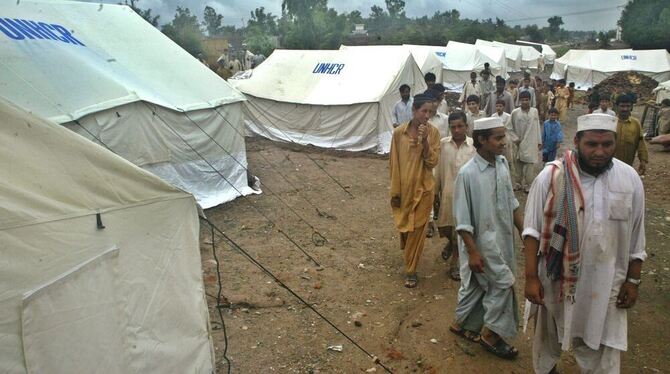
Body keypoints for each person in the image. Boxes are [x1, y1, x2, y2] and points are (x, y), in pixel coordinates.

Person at [523, 113, 646, 374]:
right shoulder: (551, 177)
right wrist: (531, 277)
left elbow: (637, 235)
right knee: (548, 340)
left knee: (603, 348)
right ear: (577, 141)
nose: (600, 152)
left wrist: (633, 281)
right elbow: (532, 232)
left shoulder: (629, 179)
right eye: (592, 144)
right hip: (556, 279)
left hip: (607, 282)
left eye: (607, 144)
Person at [449, 116, 524, 360]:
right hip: (483, 244)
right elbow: (461, 221)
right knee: (503, 283)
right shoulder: (467, 174)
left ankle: (462, 325)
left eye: (504, 136)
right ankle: (490, 335)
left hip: (504, 239)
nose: (504, 142)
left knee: (477, 288)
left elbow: (512, 203)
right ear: (481, 140)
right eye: (498, 137)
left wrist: (525, 233)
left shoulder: (502, 163)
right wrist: (473, 251)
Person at [390, 93, 441, 288]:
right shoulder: (399, 134)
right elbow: (394, 164)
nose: (427, 115)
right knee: (405, 227)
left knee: (418, 230)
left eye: (430, 112)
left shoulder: (434, 133)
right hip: (403, 189)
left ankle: (411, 270)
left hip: (424, 189)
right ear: (414, 111)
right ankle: (408, 253)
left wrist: (425, 141)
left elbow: (432, 161)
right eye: (424, 111)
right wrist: (395, 191)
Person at [435, 111, 476, 281]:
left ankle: (455, 263)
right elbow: (437, 170)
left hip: (467, 197)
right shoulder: (443, 145)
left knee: (461, 230)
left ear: (466, 126)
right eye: (453, 127)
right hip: (447, 195)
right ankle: (450, 246)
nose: (457, 130)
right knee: (446, 228)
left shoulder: (474, 146)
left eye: (460, 126)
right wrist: (434, 194)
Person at [511, 91, 542, 192]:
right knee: (518, 163)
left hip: (531, 141)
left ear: (530, 100)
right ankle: (518, 183)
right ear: (520, 101)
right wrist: (515, 139)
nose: (525, 102)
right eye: (523, 100)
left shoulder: (534, 111)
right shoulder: (515, 112)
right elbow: (510, 128)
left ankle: (529, 184)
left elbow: (537, 126)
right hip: (518, 142)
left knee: (530, 165)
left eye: (527, 100)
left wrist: (539, 141)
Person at [614, 95, 648, 175]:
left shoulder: (636, 123)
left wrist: (643, 160)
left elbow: (641, 143)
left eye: (628, 106)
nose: (625, 109)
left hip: (628, 166)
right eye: (622, 106)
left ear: (631, 107)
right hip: (611, 166)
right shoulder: (611, 122)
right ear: (616, 106)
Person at [492, 99, 516, 180]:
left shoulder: (508, 116)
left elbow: (507, 127)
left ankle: (508, 176)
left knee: (507, 158)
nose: (498, 108)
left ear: (504, 107)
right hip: (495, 139)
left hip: (505, 138)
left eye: (500, 106)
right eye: (497, 106)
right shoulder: (493, 116)